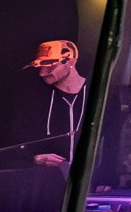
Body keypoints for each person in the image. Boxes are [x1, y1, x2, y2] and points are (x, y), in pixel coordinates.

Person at [23, 40, 88, 168]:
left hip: (89, 178)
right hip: (50, 177)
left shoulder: (98, 94)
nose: (42, 72)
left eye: (49, 65)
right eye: (41, 66)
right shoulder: (37, 98)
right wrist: (35, 158)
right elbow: (19, 142)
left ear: (70, 61)